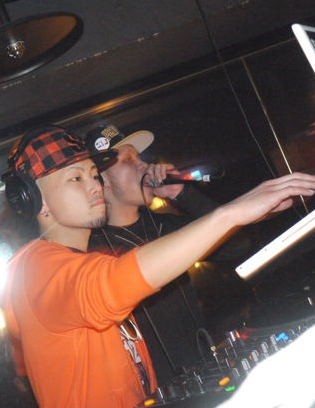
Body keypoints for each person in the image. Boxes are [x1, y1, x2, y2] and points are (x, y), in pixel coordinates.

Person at [0, 124, 315, 408]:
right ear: (35, 201)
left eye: (93, 174)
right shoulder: (34, 270)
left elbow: (235, 247)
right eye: (75, 178)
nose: (94, 185)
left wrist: (197, 201)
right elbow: (111, 283)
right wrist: (228, 214)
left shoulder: (76, 260)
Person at [85, 123, 252, 384]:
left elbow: (237, 245)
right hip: (155, 392)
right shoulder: (93, 251)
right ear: (101, 180)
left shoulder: (165, 226)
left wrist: (182, 194)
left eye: (139, 157)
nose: (143, 165)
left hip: (208, 374)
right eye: (128, 160)